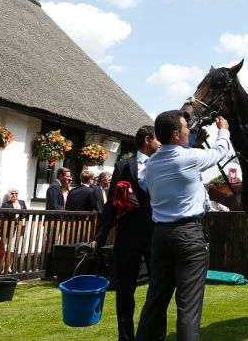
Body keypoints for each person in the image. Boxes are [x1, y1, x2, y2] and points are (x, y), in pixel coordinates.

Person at [135, 111, 231, 341]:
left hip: (160, 236)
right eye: (186, 127)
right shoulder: (190, 158)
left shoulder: (151, 164)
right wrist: (223, 129)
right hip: (188, 235)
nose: (190, 130)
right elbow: (220, 151)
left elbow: (145, 185)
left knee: (155, 301)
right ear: (176, 134)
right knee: (188, 305)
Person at [92, 126, 160, 341]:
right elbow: (112, 202)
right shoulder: (123, 165)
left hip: (157, 235)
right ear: (148, 140)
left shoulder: (163, 163)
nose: (162, 143)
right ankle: (126, 337)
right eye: (158, 139)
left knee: (159, 289)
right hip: (128, 236)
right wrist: (99, 237)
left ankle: (157, 337)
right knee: (125, 290)